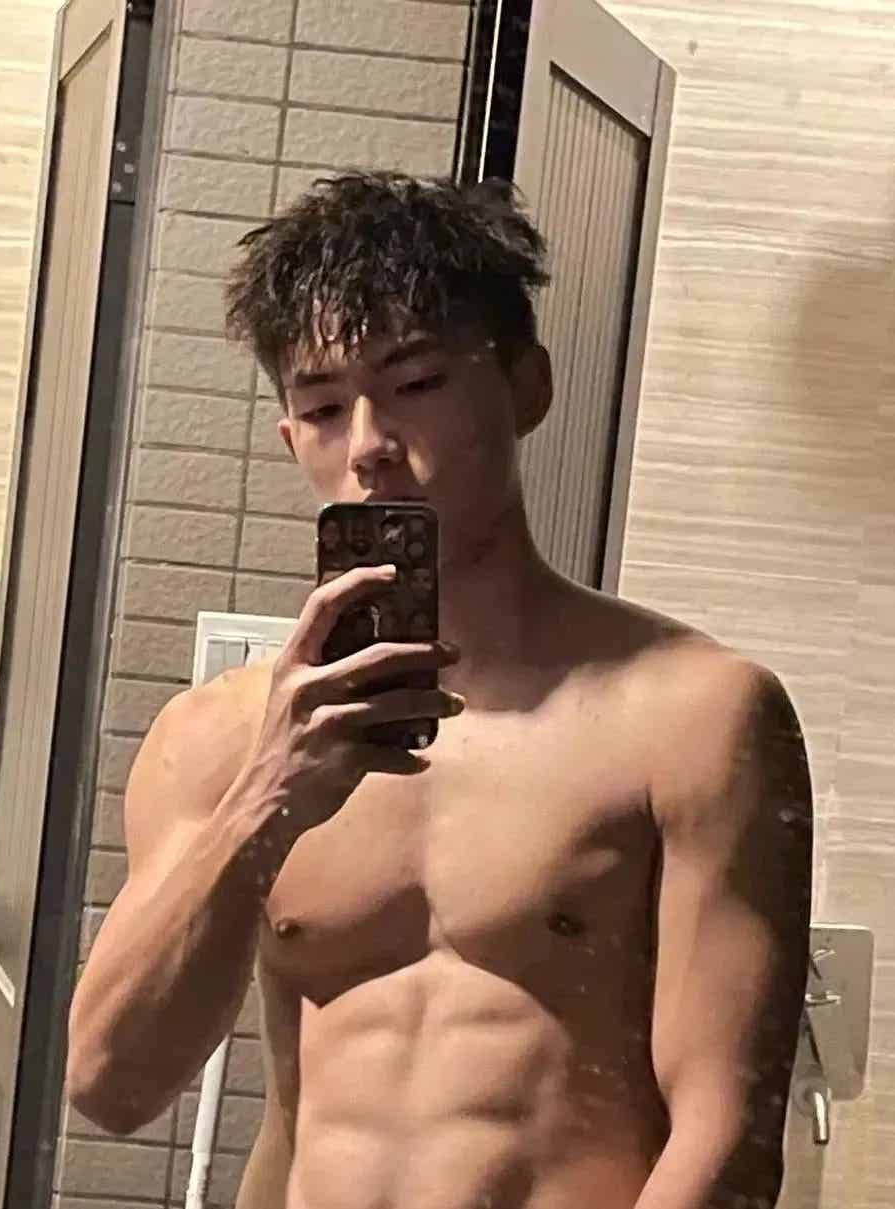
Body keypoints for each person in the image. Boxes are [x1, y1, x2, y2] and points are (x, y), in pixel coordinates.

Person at [68, 172, 813, 1209]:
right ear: (291, 441)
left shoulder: (694, 716)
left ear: (525, 387)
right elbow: (110, 1084)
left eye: (414, 383)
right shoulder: (218, 738)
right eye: (322, 408)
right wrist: (267, 800)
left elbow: (726, 1134)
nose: (369, 444)